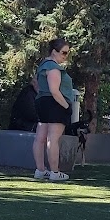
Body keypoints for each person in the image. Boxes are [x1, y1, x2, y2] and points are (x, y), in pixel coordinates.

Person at [32, 38, 75, 181]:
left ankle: (40, 170)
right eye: (63, 53)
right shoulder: (53, 67)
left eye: (67, 53)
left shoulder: (43, 65)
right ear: (54, 52)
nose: (65, 56)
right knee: (53, 139)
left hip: (42, 101)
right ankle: (55, 172)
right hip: (55, 102)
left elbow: (35, 84)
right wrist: (67, 106)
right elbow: (55, 91)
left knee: (40, 138)